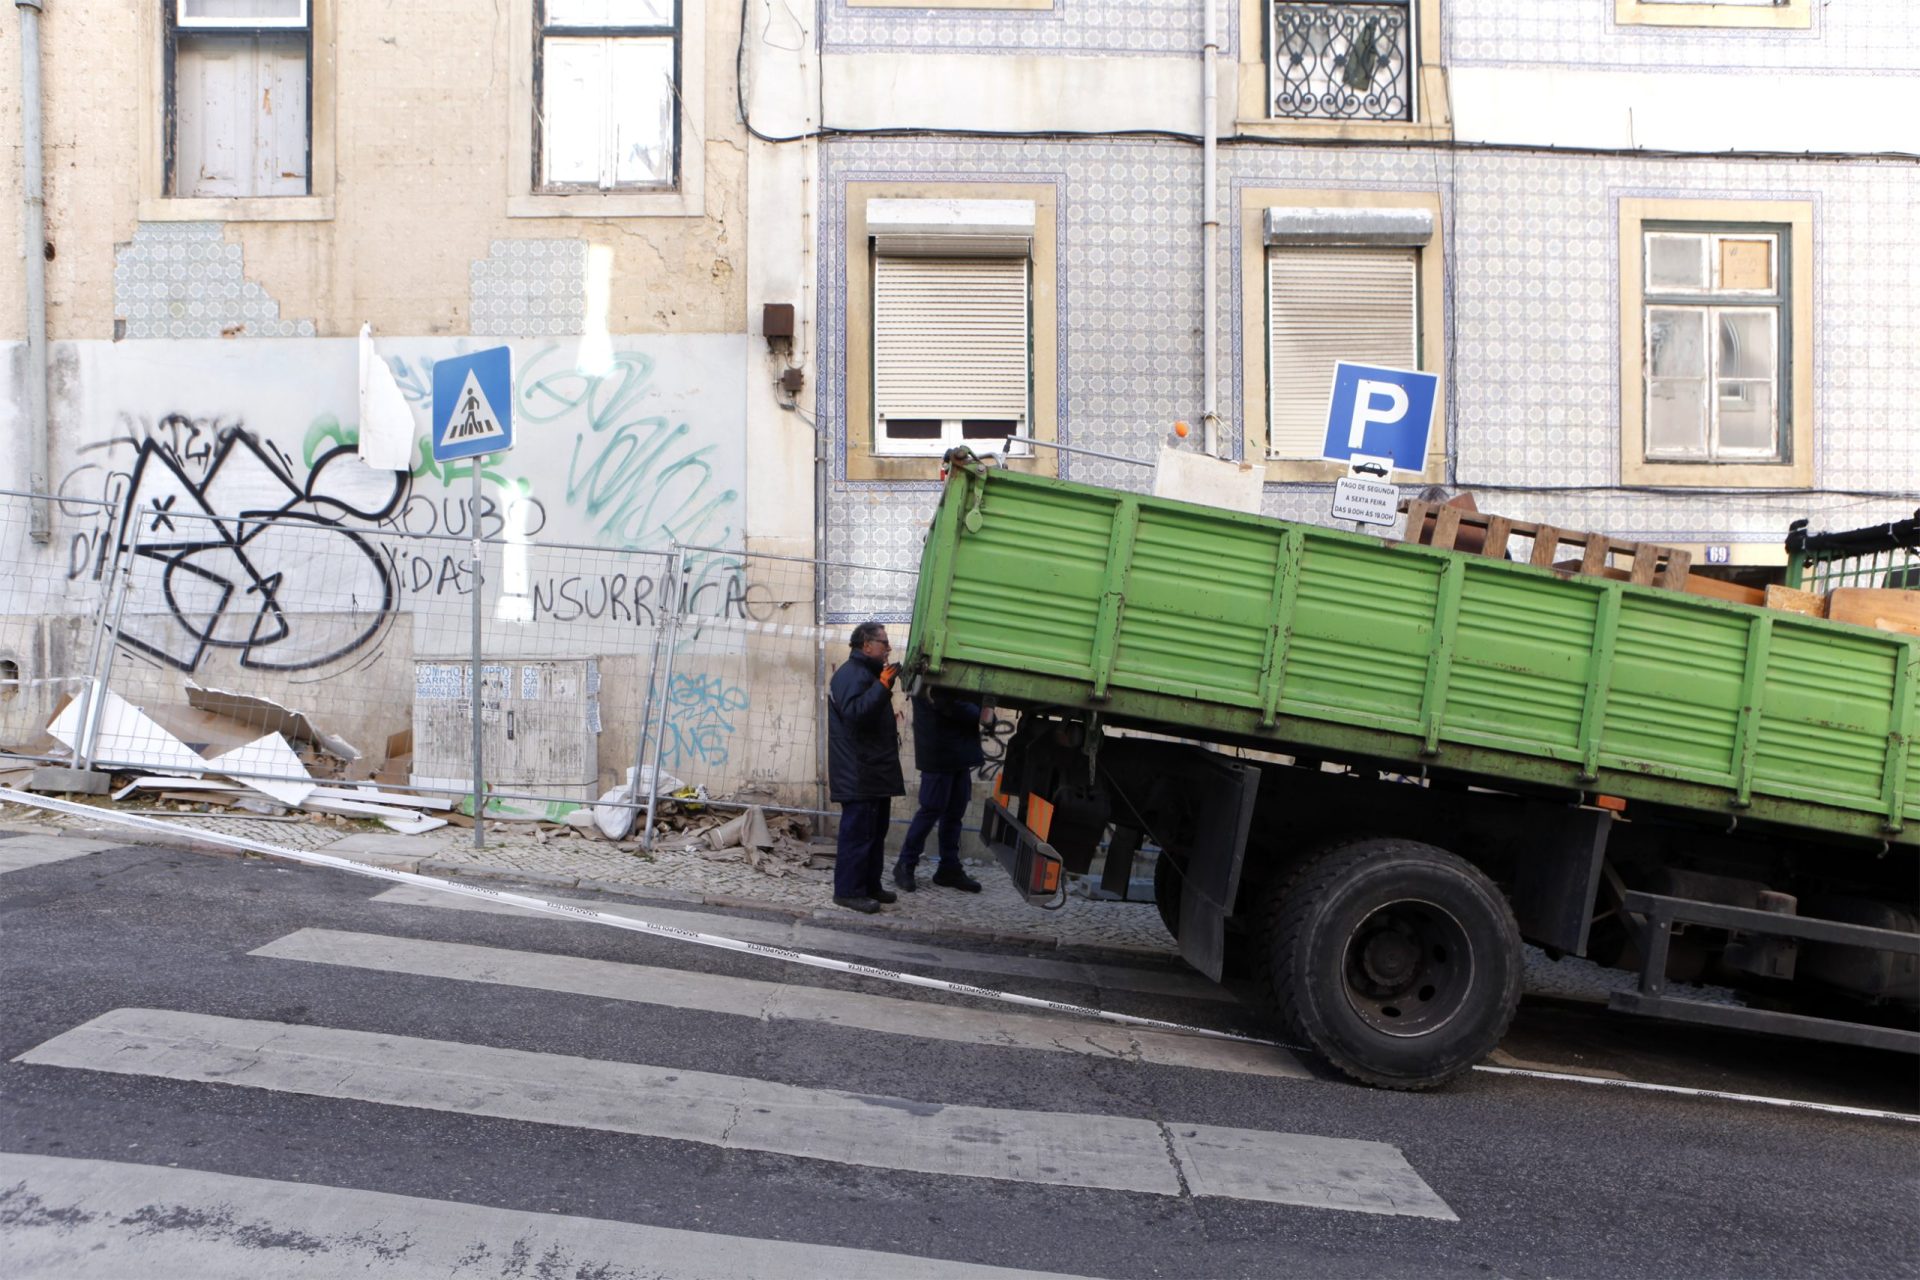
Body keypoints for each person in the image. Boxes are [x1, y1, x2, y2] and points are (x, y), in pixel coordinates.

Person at [826, 621, 904, 914]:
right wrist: (883, 687)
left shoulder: (866, 673)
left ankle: (870, 885)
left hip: (871, 771)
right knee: (858, 834)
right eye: (884, 642)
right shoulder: (850, 675)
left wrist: (882, 684)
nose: (889, 648)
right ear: (866, 645)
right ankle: (848, 891)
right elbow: (856, 714)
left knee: (875, 831)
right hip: (858, 772)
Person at [893, 690, 987, 893]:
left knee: (954, 812)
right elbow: (951, 703)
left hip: (955, 751)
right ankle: (905, 864)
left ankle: (949, 868)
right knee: (931, 809)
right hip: (939, 751)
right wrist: (980, 709)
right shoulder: (934, 668)